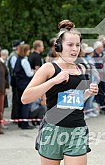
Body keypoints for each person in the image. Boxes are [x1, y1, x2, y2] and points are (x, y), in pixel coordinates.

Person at [21, 19, 98, 165]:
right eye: (70, 45)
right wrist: (53, 81)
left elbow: (75, 100)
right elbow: (25, 98)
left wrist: (88, 92)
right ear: (59, 46)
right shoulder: (49, 68)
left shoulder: (81, 68)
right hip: (53, 130)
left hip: (77, 129)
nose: (74, 49)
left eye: (77, 45)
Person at [13, 44, 34, 129]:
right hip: (25, 84)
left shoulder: (18, 59)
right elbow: (29, 74)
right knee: (25, 104)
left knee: (21, 104)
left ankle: (20, 122)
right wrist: (34, 72)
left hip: (19, 84)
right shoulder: (24, 61)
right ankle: (25, 124)